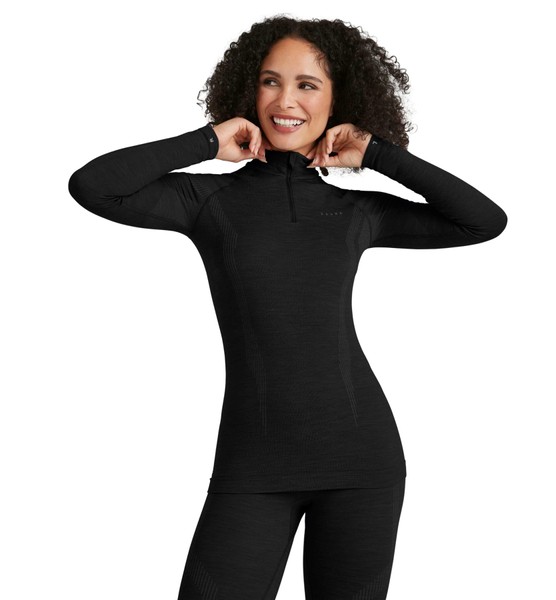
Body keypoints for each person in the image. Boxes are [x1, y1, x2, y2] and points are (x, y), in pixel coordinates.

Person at [68, 15, 507, 600]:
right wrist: (207, 142)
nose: (285, 101)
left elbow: (483, 221)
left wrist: (376, 153)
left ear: (337, 101)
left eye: (307, 85)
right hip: (253, 463)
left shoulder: (356, 212)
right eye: (271, 81)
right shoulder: (206, 200)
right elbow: (93, 186)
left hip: (361, 461)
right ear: (249, 91)